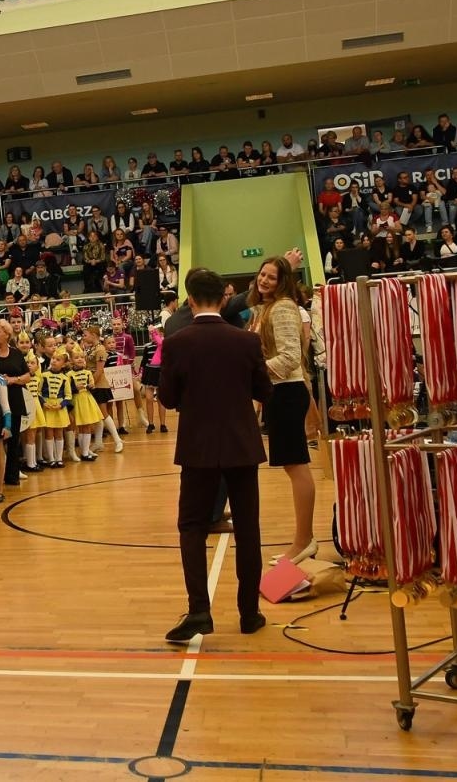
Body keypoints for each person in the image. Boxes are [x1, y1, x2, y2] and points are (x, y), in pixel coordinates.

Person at [158, 269, 272, 644]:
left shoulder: (177, 342)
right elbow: (263, 391)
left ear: (190, 300)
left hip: (197, 448)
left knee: (191, 527)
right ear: (224, 299)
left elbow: (168, 399)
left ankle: (199, 610)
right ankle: (249, 613)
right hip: (242, 445)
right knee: (248, 528)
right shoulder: (246, 341)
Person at [245, 258, 315, 565]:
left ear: (283, 281)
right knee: (293, 466)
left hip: (287, 392)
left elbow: (289, 358)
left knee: (297, 466)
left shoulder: (284, 307)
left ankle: (304, 541)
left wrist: (252, 375)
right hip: (278, 393)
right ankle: (303, 540)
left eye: (272, 277)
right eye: (262, 275)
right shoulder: (264, 308)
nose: (264, 280)